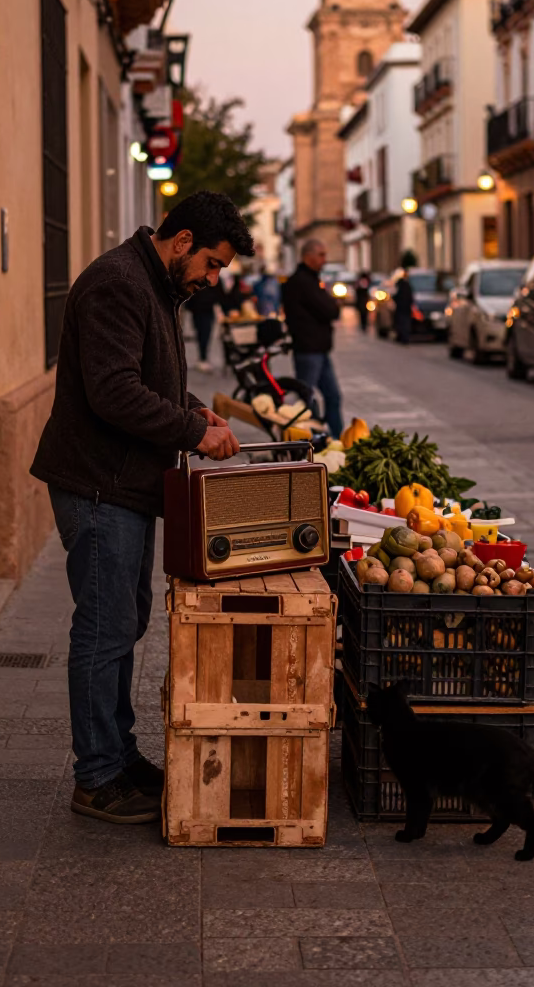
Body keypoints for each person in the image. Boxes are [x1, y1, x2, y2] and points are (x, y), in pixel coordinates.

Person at [31, 192, 254, 824]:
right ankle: (97, 777)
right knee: (104, 631)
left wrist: (189, 408)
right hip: (99, 487)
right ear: (182, 241)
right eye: (212, 263)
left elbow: (145, 376)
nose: (213, 279)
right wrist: (193, 433)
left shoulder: (153, 285)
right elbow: (113, 392)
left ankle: (118, 755)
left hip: (125, 488)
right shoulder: (117, 284)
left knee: (124, 622)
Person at [282, 238, 343, 438]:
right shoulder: (302, 282)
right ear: (308, 257)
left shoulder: (310, 279)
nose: (324, 260)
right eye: (321, 255)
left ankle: (337, 438)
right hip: (309, 350)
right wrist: (332, 304)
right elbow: (329, 310)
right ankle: (313, 437)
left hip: (318, 349)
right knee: (307, 398)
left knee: (332, 396)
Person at [187, 280, 220, 373]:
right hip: (199, 309)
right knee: (202, 334)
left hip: (204, 309)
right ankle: (203, 357)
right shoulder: (200, 276)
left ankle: (203, 357)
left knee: (204, 334)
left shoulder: (209, 276)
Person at [393, 269, 414, 344]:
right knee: (405, 322)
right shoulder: (406, 285)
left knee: (402, 322)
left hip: (401, 307)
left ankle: (403, 337)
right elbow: (411, 297)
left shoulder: (400, 284)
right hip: (405, 307)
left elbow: (395, 295)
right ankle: (405, 337)